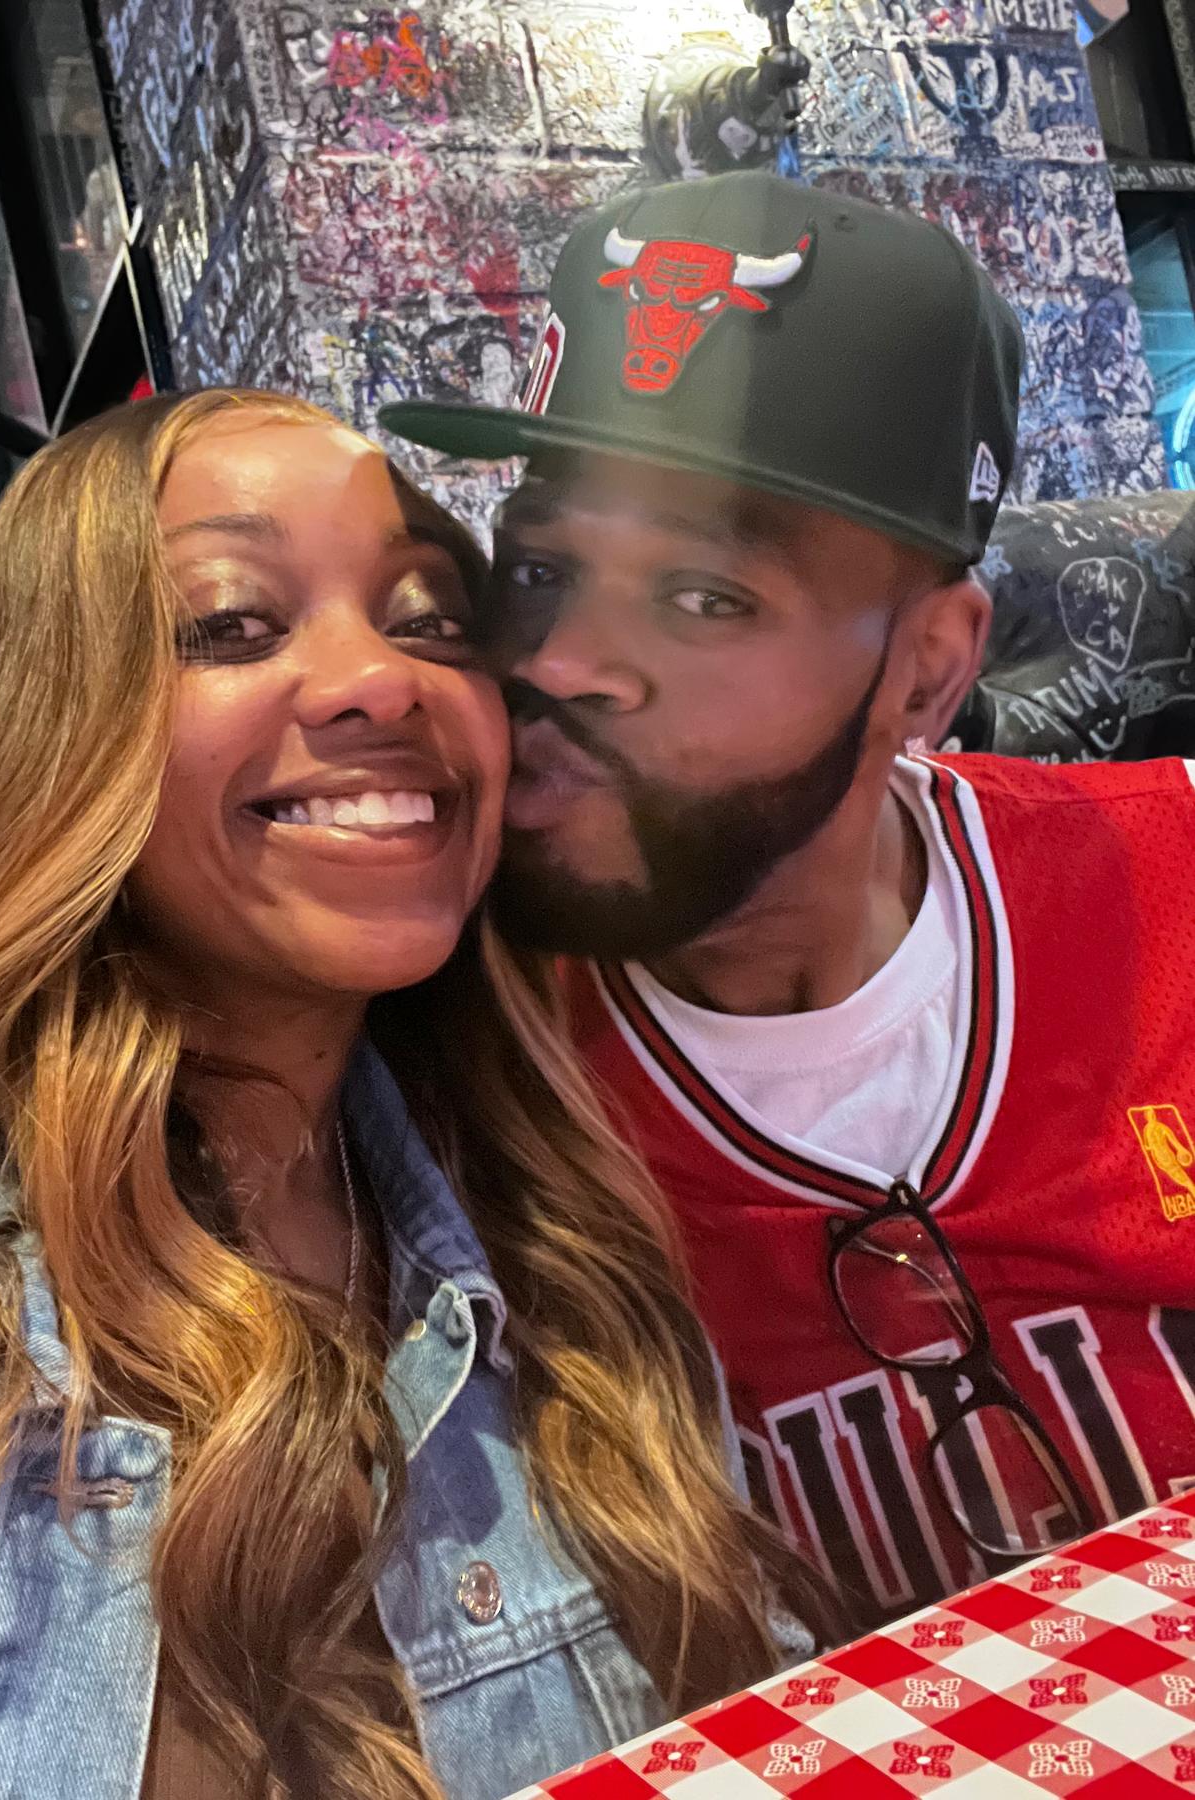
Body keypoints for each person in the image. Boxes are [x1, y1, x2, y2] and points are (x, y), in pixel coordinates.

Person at [0, 390, 828, 1800]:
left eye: (432, 622)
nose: (382, 680)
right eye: (233, 623)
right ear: (43, 725)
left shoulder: (565, 1228)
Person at [383, 170, 1195, 1628]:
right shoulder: (448, 1054)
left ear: (928, 670)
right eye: (544, 565)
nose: (559, 661)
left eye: (705, 595)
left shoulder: (1170, 880)